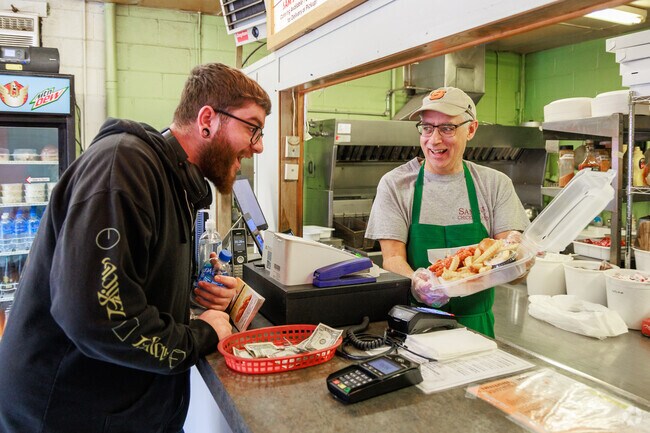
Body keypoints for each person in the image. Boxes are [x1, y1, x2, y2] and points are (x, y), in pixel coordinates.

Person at [0, 63, 271, 432]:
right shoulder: (125, 166)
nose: (259, 145)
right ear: (207, 118)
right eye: (252, 127)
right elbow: (96, 314)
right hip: (67, 415)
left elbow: (132, 283)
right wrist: (203, 334)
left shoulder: (174, 184)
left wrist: (192, 294)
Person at [365, 86, 528, 338]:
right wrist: (418, 282)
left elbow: (509, 262)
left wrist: (522, 259)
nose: (434, 140)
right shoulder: (396, 184)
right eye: (427, 128)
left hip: (477, 327)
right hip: (415, 324)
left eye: (447, 128)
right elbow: (392, 259)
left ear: (471, 129)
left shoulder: (494, 184)